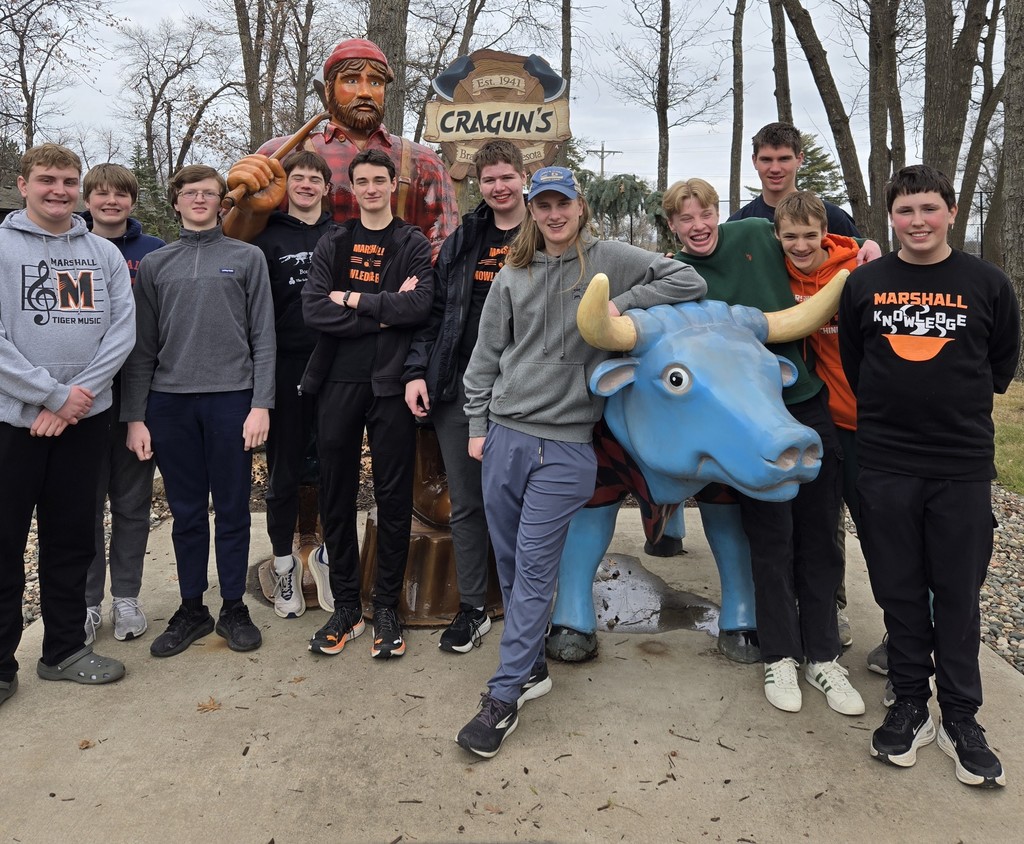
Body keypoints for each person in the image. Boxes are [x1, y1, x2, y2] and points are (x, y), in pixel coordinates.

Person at [455, 166, 707, 758]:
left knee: (537, 567)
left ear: (579, 204)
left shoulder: (608, 257)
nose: (553, 214)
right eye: (542, 205)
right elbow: (486, 353)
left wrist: (618, 302)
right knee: (512, 561)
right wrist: (475, 425)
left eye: (561, 203)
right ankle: (533, 663)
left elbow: (686, 279)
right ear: (532, 209)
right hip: (505, 436)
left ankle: (503, 695)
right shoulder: (513, 271)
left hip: (567, 447)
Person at [839, 164, 1019, 788]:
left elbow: (999, 366)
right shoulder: (865, 285)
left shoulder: (987, 283)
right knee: (900, 589)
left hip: (961, 466)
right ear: (891, 216)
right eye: (906, 211)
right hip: (885, 461)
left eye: (929, 209)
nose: (918, 222)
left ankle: (962, 716)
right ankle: (911, 704)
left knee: (958, 595)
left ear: (950, 212)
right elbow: (858, 364)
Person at [666, 177, 865, 718]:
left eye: (705, 212)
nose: (698, 225)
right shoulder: (677, 276)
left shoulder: (757, 229)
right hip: (745, 418)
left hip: (803, 402)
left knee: (821, 534)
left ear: (719, 213)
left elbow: (826, 244)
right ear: (672, 227)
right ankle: (781, 652)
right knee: (770, 537)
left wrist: (862, 250)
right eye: (684, 218)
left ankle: (823, 655)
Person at [122, 165, 276, 658]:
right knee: (187, 513)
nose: (200, 200)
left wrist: (261, 405)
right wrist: (136, 416)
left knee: (232, 508)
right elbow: (142, 348)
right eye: (191, 193)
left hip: (232, 399)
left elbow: (264, 339)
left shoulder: (247, 258)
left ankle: (233, 606)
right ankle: (193, 609)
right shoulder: (157, 266)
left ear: (222, 202)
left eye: (210, 193)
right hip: (169, 405)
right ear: (176, 201)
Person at [1, 143, 135, 706]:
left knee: (72, 540)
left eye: (68, 180)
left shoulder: (100, 252)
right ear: (23, 182)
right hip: (12, 423)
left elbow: (121, 331)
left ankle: (62, 651)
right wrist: (52, 396)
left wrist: (75, 401)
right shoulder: (2, 246)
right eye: (47, 179)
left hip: (85, 422)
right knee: (5, 543)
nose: (59, 190)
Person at [301, 148, 433, 660]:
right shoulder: (334, 241)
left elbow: (419, 305)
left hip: (390, 384)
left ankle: (387, 610)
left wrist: (352, 299)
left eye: (380, 180)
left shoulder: (411, 241)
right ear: (350, 188)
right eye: (362, 181)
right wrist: (384, 310)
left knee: (393, 497)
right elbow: (314, 308)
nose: (372, 188)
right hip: (337, 382)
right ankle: (347, 609)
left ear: (393, 185)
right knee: (336, 493)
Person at [403, 140, 528, 654]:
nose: (499, 188)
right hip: (461, 390)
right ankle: (473, 607)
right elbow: (436, 313)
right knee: (469, 504)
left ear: (524, 176)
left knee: (528, 506)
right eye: (490, 179)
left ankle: (530, 609)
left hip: (528, 396)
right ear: (479, 183)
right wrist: (418, 371)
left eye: (507, 177)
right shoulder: (463, 240)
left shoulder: (545, 234)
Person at [223, 37, 457, 262]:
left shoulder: (423, 162)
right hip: (307, 296)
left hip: (395, 298)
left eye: (375, 82)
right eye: (351, 80)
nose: (365, 92)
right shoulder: (281, 156)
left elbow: (444, 250)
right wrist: (249, 212)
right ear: (328, 89)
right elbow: (230, 248)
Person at [80, 163, 165, 645]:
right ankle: (88, 603)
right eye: (101, 194)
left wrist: (143, 409)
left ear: (132, 201)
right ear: (88, 199)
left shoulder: (153, 252)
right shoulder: (70, 250)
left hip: (139, 399)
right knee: (85, 507)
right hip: (82, 401)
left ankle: (126, 597)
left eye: (120, 194)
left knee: (132, 504)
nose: (111, 201)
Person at [774, 190, 864, 644]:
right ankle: (827, 609)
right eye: (791, 236)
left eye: (810, 235)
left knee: (879, 527)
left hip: (863, 421)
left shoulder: (856, 273)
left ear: (826, 234)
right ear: (778, 237)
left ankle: (908, 635)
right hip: (813, 419)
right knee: (822, 522)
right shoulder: (776, 275)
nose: (802, 245)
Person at [251, 150, 334, 619]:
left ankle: (326, 557)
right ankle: (284, 562)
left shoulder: (341, 235)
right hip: (284, 365)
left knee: (333, 465)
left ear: (326, 187)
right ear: (286, 187)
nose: (304, 185)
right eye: (296, 178)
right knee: (282, 472)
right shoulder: (266, 239)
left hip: (334, 364)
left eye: (313, 179)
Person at [729, 122, 861, 238]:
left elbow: (862, 260)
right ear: (754, 161)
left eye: (784, 159)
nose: (775, 168)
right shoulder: (737, 225)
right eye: (766, 160)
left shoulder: (831, 217)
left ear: (799, 159)